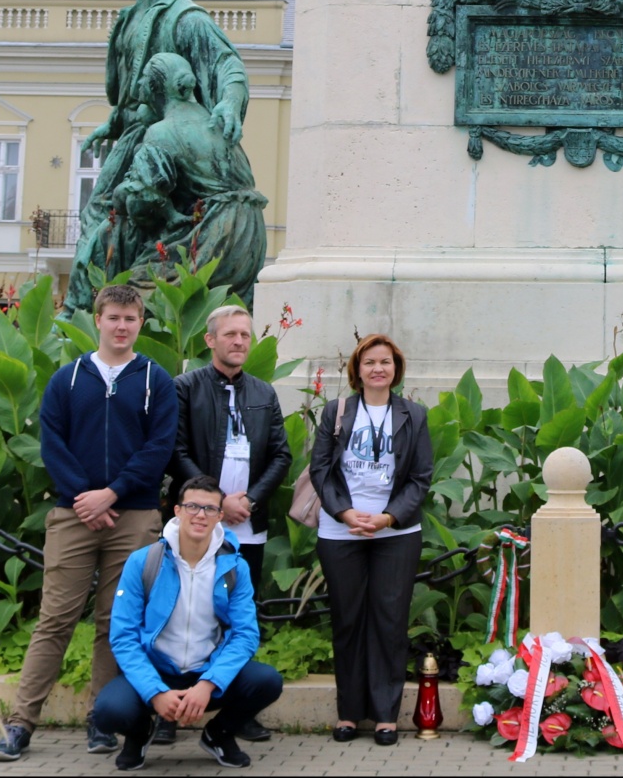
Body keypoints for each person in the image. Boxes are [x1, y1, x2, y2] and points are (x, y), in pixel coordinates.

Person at [0, 285, 177, 762]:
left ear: (141, 323)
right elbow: (51, 442)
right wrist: (83, 498)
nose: (121, 326)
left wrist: (112, 492)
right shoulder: (67, 379)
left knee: (116, 621)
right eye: (113, 317)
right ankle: (20, 723)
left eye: (130, 319)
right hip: (73, 515)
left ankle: (102, 719)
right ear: (98, 319)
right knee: (54, 620)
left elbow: (159, 447)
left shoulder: (156, 379)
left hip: (133, 514)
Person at [64, 0, 252, 314]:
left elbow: (226, 63)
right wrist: (114, 123)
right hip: (137, 137)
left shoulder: (187, 18)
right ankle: (91, 315)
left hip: (168, 147)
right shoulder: (129, 18)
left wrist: (230, 102)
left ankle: (81, 314)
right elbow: (132, 89)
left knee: (113, 225)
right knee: (104, 222)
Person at [162, 303, 292, 744]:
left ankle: (237, 710)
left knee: (239, 618)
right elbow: (176, 452)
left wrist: (250, 501)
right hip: (197, 523)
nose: (239, 342)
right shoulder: (185, 388)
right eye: (231, 334)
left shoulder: (264, 393)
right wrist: (217, 503)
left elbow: (281, 455)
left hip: (247, 526)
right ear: (210, 340)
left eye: (245, 335)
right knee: (179, 612)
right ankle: (166, 709)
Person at [95, 476, 284, 771]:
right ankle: (139, 733)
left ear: (221, 516)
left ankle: (218, 735)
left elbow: (245, 634)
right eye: (192, 506)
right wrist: (155, 692)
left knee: (267, 681)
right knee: (108, 710)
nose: (200, 515)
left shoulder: (235, 566)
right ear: (177, 511)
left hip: (206, 672)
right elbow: (123, 636)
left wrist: (208, 684)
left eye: (210, 509)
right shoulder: (143, 562)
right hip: (156, 670)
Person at [308, 334, 434, 745]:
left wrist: (386, 517)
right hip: (340, 530)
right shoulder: (337, 411)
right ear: (357, 370)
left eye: (386, 362)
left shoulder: (413, 414)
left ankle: (385, 716)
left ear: (396, 369)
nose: (378, 368)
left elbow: (420, 477)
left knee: (389, 621)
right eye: (369, 362)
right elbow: (321, 470)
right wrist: (345, 512)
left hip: (395, 533)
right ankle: (349, 713)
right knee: (347, 619)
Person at [85, 53, 269, 309]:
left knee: (130, 299)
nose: (138, 87)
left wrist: (131, 197)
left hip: (214, 236)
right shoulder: (212, 122)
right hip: (249, 234)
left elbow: (143, 198)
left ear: (154, 87)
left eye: (143, 81)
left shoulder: (162, 132)